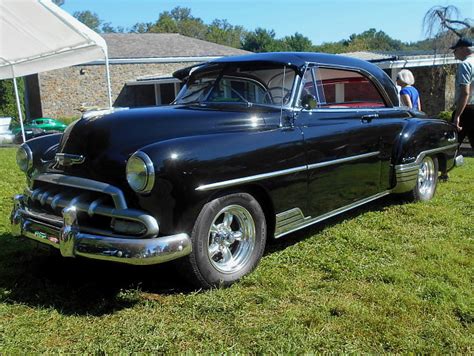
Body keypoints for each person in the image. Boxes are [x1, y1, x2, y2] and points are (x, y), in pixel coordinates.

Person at [451, 37, 474, 149]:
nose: (454, 53)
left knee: (451, 147)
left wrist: (457, 116)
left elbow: (465, 92)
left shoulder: (465, 64)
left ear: (463, 48)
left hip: (467, 110)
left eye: (455, 50)